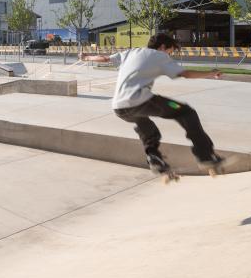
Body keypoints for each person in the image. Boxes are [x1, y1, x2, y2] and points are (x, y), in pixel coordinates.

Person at [80, 33, 224, 176]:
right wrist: (210, 73)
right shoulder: (159, 55)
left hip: (120, 107)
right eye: (170, 52)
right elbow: (185, 73)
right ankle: (206, 156)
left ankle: (154, 158)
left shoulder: (131, 52)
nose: (170, 55)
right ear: (162, 47)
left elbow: (105, 59)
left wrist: (86, 57)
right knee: (185, 112)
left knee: (146, 126)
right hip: (141, 102)